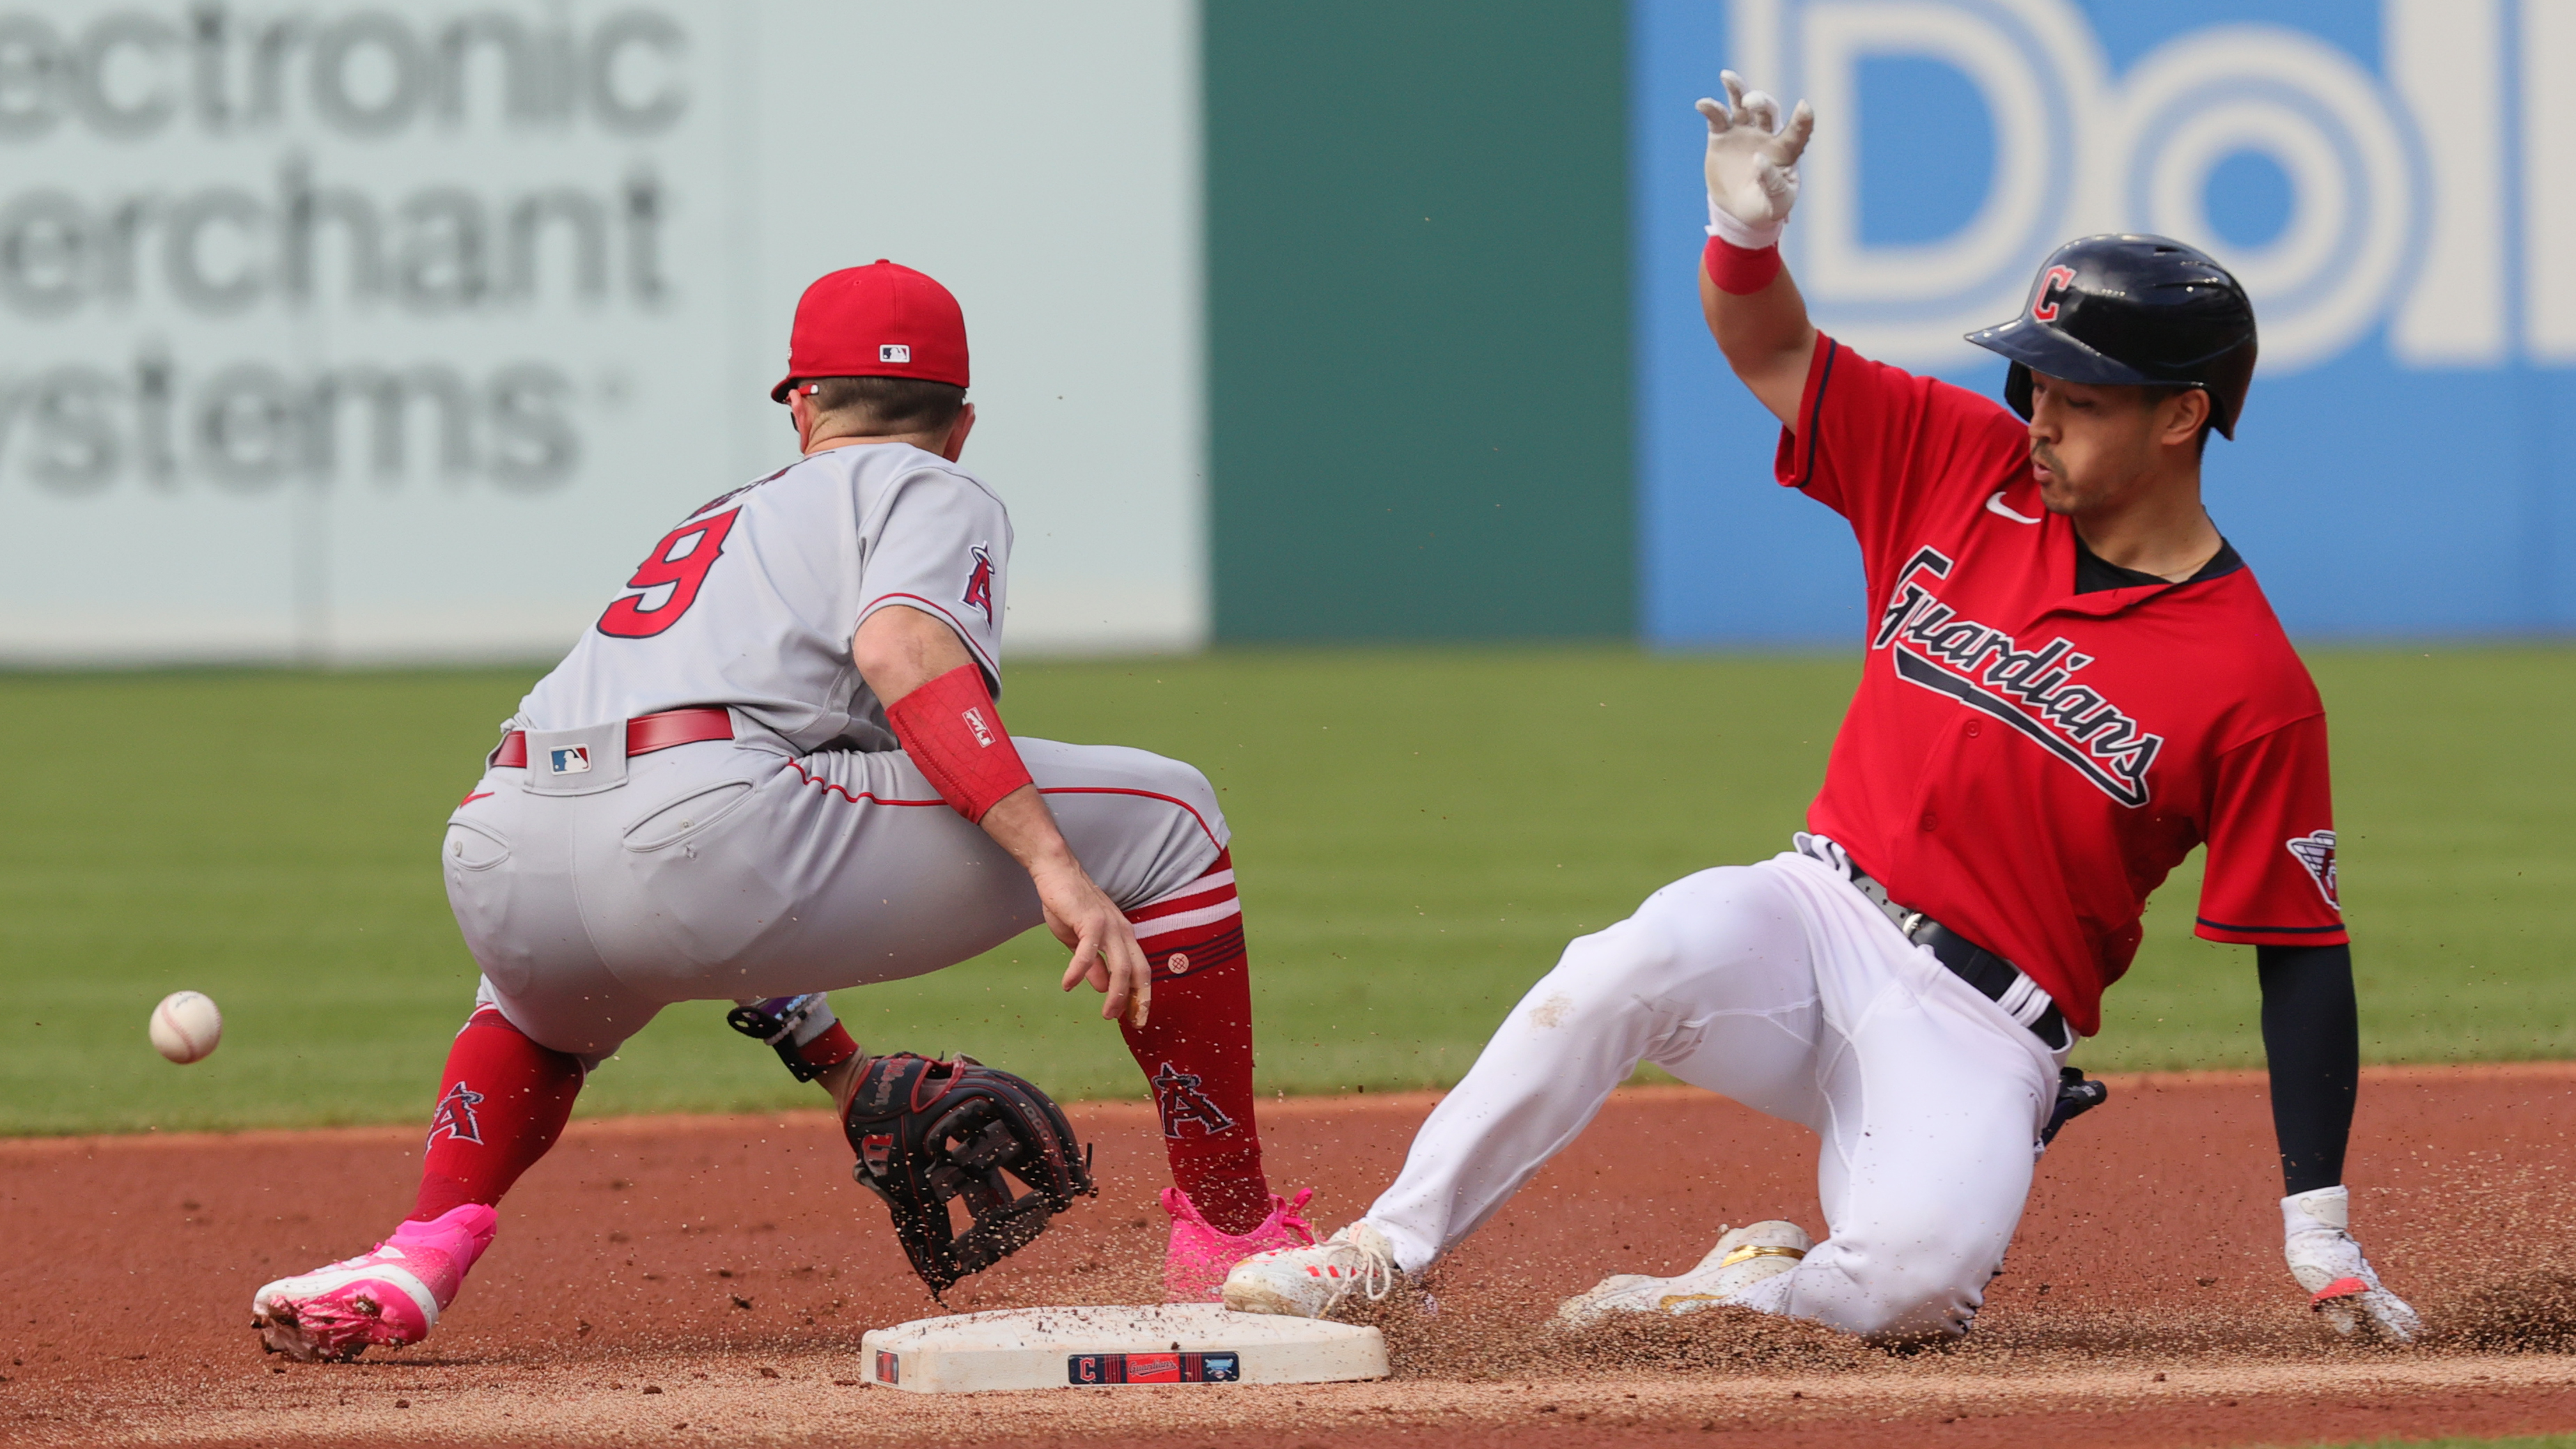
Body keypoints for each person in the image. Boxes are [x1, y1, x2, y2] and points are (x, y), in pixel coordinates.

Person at [1221, 75, 2416, 1344]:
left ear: (2184, 418)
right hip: (1812, 916)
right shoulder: (1963, 464)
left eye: (2083, 396)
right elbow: (1774, 348)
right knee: (1621, 965)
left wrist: (2320, 1230)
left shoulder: (2252, 681)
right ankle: (1375, 1253)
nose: (2041, 415)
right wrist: (1745, 239)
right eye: (2036, 380)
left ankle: (1738, 1291)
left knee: (1912, 1291)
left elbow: (2302, 955)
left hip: (1981, 1026)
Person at [251, 261, 1311, 1363]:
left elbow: (672, 859)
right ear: (962, 426)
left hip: (503, 840)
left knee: (539, 1005)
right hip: (712, 819)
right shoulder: (931, 486)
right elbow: (902, 656)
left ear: (800, 405)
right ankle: (1234, 1236)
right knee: (1172, 814)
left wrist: (836, 1055)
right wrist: (1051, 861)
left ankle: (419, 1249)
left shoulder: (726, 517)